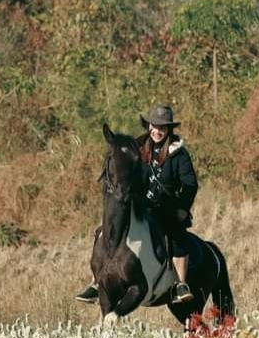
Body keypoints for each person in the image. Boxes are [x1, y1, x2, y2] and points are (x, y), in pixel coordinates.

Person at [75, 105, 198, 305]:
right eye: (154, 126)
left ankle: (180, 283)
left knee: (177, 236)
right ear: (148, 125)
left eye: (162, 128)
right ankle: (97, 282)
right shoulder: (138, 147)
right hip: (141, 206)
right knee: (104, 231)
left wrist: (180, 206)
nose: (157, 131)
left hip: (167, 209)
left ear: (168, 130)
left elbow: (190, 184)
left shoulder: (179, 154)